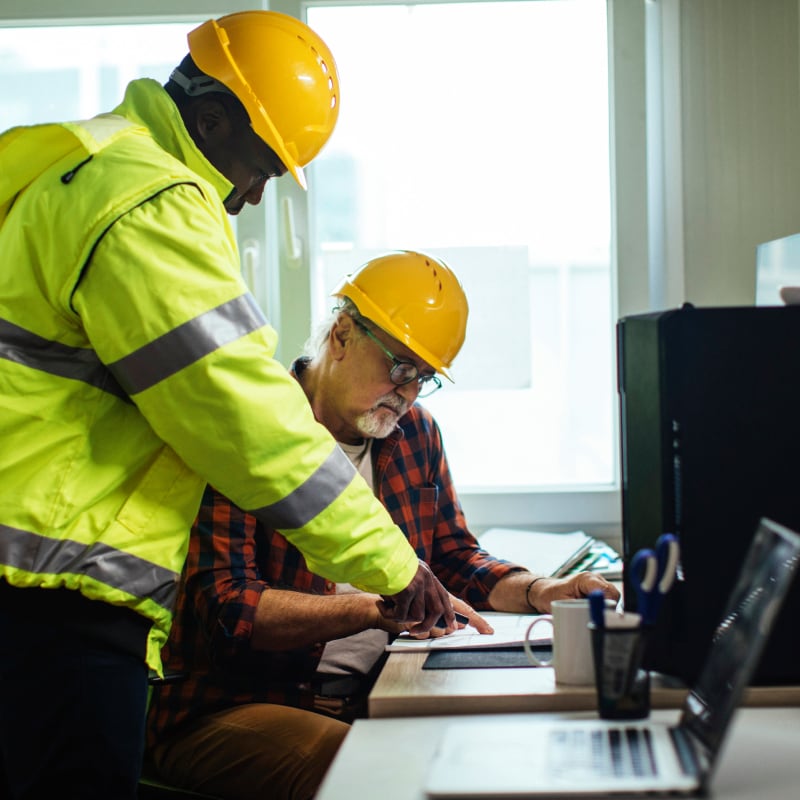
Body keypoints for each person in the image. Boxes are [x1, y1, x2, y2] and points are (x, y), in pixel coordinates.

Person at [0, 14, 454, 800]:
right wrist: (389, 570)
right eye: (262, 168)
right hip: (53, 608)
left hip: (40, 601)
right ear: (209, 120)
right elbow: (247, 422)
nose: (251, 197)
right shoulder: (147, 201)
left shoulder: (83, 164)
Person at [146, 251, 620, 800]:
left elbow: (454, 559)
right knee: (377, 776)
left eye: (423, 378)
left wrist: (541, 590)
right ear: (342, 334)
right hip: (235, 703)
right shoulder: (250, 432)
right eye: (400, 367)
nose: (408, 391)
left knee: (498, 759)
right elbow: (227, 613)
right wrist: (380, 609)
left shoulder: (415, 433)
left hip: (378, 693)